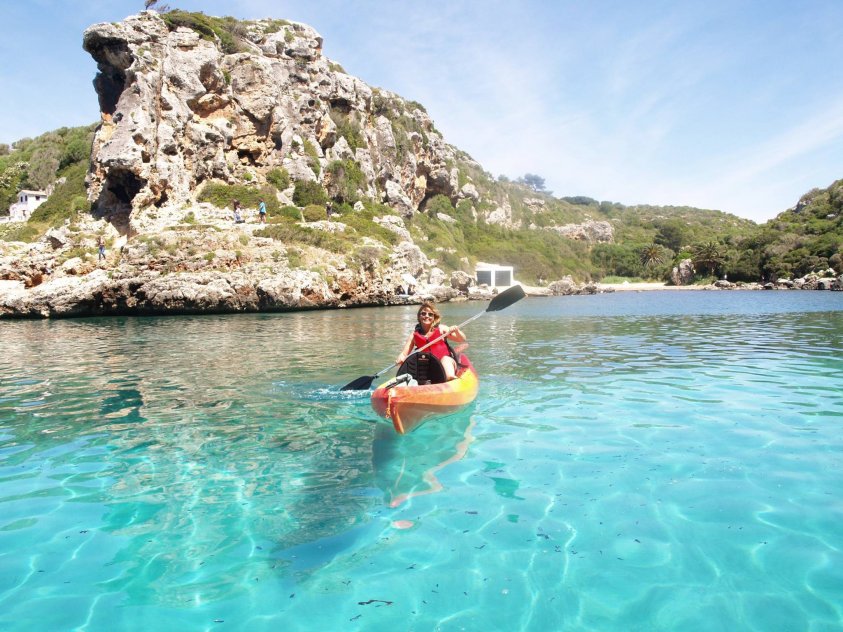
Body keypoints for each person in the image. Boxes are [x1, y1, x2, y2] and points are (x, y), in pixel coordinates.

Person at [395, 301, 466, 381]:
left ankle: (450, 379)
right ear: (419, 316)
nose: (426, 316)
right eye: (423, 313)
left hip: (445, 365)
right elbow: (404, 353)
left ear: (434, 317)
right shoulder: (414, 335)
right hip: (426, 369)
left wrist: (457, 331)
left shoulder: (442, 329)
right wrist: (400, 357)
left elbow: (461, 339)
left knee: (445, 359)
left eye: (430, 314)